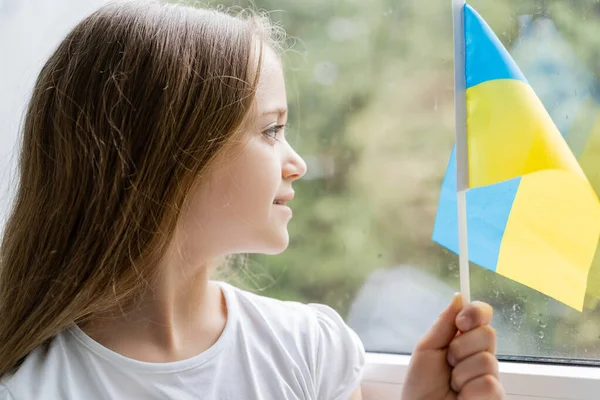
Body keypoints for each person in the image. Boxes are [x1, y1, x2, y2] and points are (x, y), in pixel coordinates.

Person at [0, 1, 503, 399]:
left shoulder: (308, 351)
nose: (297, 163)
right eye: (271, 129)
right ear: (167, 157)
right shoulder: (26, 386)